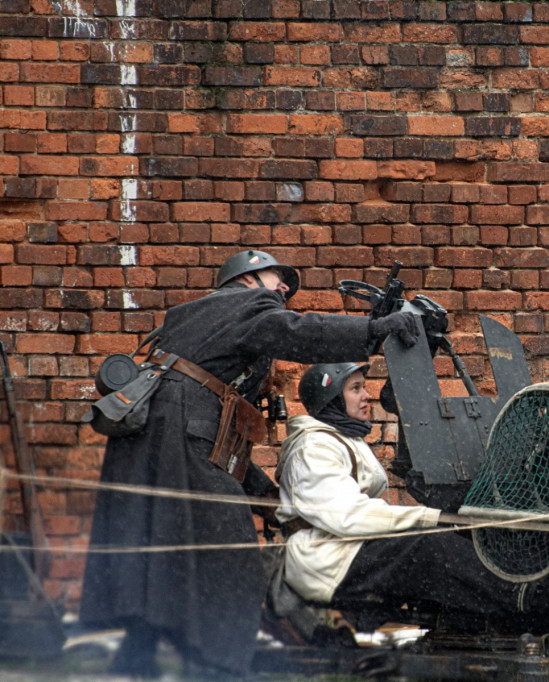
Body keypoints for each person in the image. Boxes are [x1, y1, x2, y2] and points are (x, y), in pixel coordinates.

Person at [79, 250, 421, 680]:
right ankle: (218, 666)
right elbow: (299, 331)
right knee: (231, 556)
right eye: (279, 279)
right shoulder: (242, 305)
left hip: (155, 437)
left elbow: (224, 432)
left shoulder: (198, 320)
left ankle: (138, 655)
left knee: (160, 544)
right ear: (248, 277)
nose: (284, 290)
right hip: (180, 432)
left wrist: (263, 492)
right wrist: (374, 331)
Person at [273, 362, 549, 629]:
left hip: (346, 550)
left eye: (363, 387)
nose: (367, 396)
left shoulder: (341, 439)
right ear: (332, 400)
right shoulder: (313, 449)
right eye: (355, 389)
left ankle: (501, 602)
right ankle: (525, 600)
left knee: (454, 535)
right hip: (324, 561)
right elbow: (348, 517)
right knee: (428, 547)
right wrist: (429, 517)